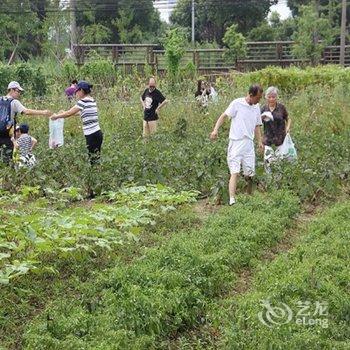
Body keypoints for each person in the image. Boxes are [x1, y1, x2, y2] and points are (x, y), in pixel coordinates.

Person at [210, 85, 264, 205]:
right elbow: (224, 116)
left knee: (249, 173)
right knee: (235, 171)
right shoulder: (237, 103)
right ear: (251, 95)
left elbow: (257, 125)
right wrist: (215, 130)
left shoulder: (256, 107)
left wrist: (259, 141)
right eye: (258, 97)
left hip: (249, 144)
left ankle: (248, 198)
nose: (259, 100)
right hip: (236, 142)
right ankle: (232, 200)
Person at [51, 80, 103, 165]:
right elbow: (80, 112)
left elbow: (69, 113)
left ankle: (95, 175)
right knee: (96, 158)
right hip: (98, 133)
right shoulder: (92, 100)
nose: (76, 94)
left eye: (77, 91)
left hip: (91, 135)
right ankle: (99, 173)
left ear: (81, 90)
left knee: (93, 159)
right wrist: (65, 112)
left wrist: (56, 116)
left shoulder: (82, 102)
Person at [0, 81, 51, 165]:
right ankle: (7, 177)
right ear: (11, 90)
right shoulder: (14, 102)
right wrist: (43, 112)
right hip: (7, 135)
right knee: (7, 160)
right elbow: (26, 111)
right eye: (18, 91)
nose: (19, 94)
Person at [261, 86, 291, 172]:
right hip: (268, 140)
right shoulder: (263, 108)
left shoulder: (281, 107)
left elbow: (288, 118)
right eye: (269, 97)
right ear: (266, 97)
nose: (271, 99)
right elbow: (258, 123)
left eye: (273, 97)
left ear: (276, 97)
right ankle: (269, 181)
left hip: (281, 139)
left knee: (280, 163)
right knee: (268, 163)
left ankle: (279, 182)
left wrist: (287, 127)